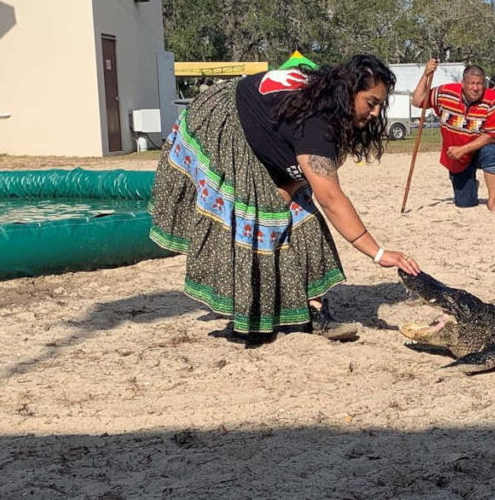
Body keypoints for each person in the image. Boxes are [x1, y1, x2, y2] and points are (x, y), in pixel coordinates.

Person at [150, 55, 420, 343]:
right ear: (347, 92)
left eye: (381, 104)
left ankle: (313, 309)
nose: (377, 112)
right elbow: (331, 199)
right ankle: (247, 316)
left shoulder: (337, 117)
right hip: (227, 122)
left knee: (303, 216)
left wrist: (289, 188)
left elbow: (316, 173)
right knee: (253, 220)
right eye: (371, 102)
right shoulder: (317, 123)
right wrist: (378, 253)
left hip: (269, 133)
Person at [414, 60, 495, 211]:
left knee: (491, 152)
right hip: (456, 156)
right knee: (465, 203)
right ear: (462, 83)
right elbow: (417, 101)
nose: (475, 88)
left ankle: (492, 200)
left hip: (477, 149)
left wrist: (463, 149)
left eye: (479, 84)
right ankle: (471, 185)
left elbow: (491, 135)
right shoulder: (445, 93)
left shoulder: (493, 101)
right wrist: (426, 74)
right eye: (471, 83)